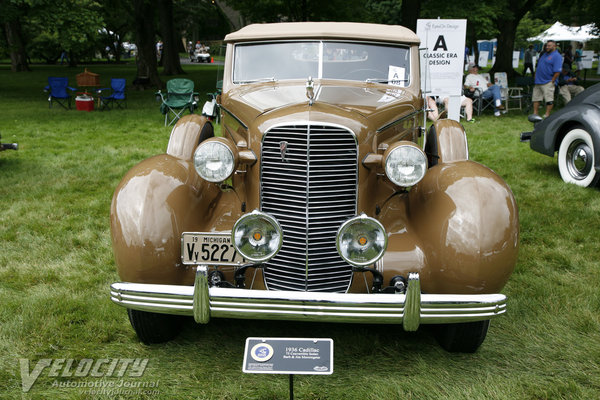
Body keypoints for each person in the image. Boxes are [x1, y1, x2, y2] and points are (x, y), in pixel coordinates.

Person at [533, 40, 562, 118]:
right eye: (546, 46)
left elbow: (557, 71)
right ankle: (535, 113)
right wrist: (536, 76)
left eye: (549, 46)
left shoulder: (557, 56)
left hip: (548, 81)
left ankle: (547, 114)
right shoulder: (544, 54)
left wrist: (552, 80)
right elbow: (538, 66)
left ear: (554, 46)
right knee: (536, 98)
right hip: (538, 80)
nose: (547, 47)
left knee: (548, 99)